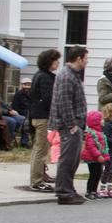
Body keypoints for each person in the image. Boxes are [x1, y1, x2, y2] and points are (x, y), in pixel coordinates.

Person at [49, 45, 90, 205]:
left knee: (73, 159)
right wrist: (72, 125)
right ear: (78, 58)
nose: (87, 61)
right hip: (69, 125)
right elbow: (64, 102)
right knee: (67, 159)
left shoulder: (73, 75)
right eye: (86, 58)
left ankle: (69, 188)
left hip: (76, 123)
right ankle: (64, 192)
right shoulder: (67, 76)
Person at [28, 49, 60, 192]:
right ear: (49, 61)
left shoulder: (40, 75)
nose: (58, 62)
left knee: (40, 148)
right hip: (43, 117)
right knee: (41, 149)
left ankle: (41, 175)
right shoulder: (45, 78)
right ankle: (36, 181)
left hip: (37, 115)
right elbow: (49, 99)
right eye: (56, 60)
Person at [81, 110, 110, 200]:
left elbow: (102, 145)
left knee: (98, 174)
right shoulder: (91, 133)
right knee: (93, 174)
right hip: (92, 158)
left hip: (98, 158)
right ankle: (88, 191)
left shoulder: (100, 132)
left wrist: (104, 155)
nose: (103, 121)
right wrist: (98, 156)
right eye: (101, 119)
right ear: (95, 121)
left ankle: (94, 191)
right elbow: (91, 146)